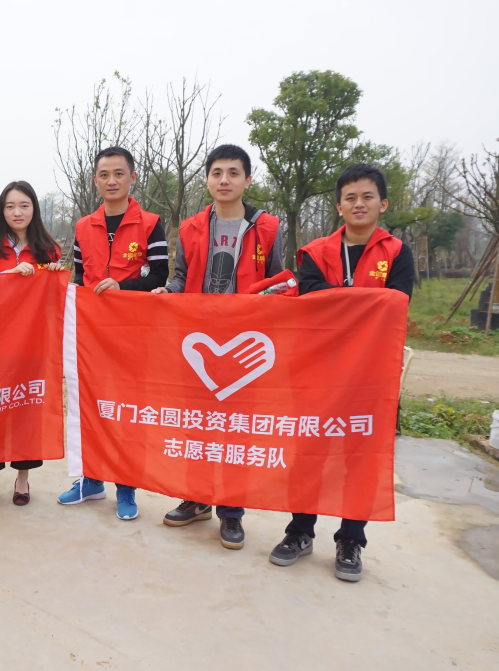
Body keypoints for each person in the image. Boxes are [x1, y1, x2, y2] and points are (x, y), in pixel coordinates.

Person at [269, 163, 414, 582]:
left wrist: (342, 300)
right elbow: (311, 299)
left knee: (359, 457)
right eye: (350, 197)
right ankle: (299, 531)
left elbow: (396, 304)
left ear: (383, 203)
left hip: (371, 372)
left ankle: (351, 540)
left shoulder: (397, 253)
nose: (359, 204)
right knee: (308, 453)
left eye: (367, 196)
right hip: (318, 369)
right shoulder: (316, 253)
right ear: (339, 206)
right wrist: (365, 300)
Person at [153, 143, 286, 550]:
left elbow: (279, 281)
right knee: (197, 424)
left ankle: (231, 511)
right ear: (207, 180)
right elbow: (181, 277)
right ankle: (196, 499)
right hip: (199, 343)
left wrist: (263, 305)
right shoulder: (191, 227)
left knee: (235, 431)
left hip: (244, 345)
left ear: (247, 179)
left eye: (233, 173)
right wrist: (167, 291)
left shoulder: (268, 228)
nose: (224, 180)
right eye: (217, 173)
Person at [57, 146, 169, 520]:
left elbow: (160, 275)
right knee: (89, 406)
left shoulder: (150, 223)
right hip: (91, 335)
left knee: (125, 411)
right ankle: (91, 480)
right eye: (104, 174)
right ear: (95, 180)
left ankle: (126, 486)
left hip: (133, 334)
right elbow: (79, 277)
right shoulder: (82, 226)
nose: (112, 181)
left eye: (119, 173)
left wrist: (124, 287)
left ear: (132, 177)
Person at [0, 180, 62, 506]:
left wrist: (53, 275)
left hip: (32, 342)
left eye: (24, 205)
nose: (17, 212)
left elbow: (54, 302)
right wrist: (7, 277)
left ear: (34, 208)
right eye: (10, 206)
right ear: (1, 211)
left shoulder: (49, 249)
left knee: (26, 409)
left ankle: (23, 477)